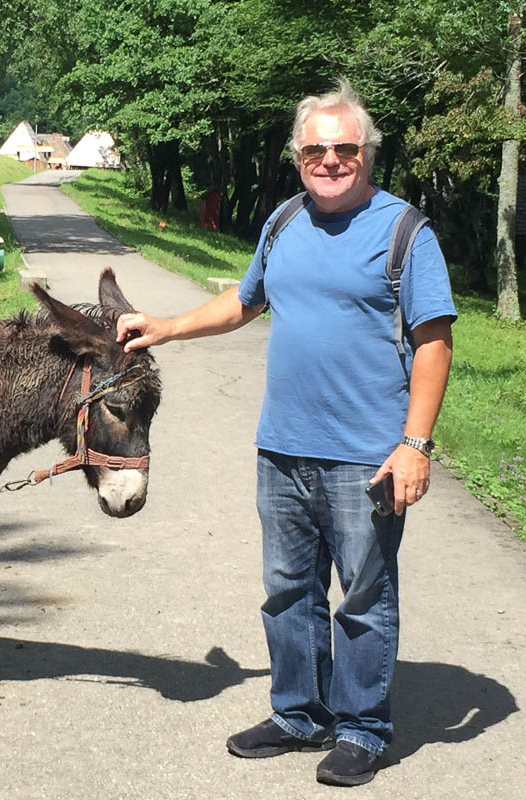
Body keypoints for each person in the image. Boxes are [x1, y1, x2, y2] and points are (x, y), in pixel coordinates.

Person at [116, 79, 456, 787]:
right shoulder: (284, 222)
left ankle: (362, 728)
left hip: (366, 454)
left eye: (343, 149)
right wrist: (166, 327)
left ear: (367, 154)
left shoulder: (405, 232)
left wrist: (414, 446)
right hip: (283, 447)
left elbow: (433, 343)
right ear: (297, 155)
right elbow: (244, 303)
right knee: (287, 589)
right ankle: (299, 713)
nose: (329, 160)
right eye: (315, 149)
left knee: (364, 595)